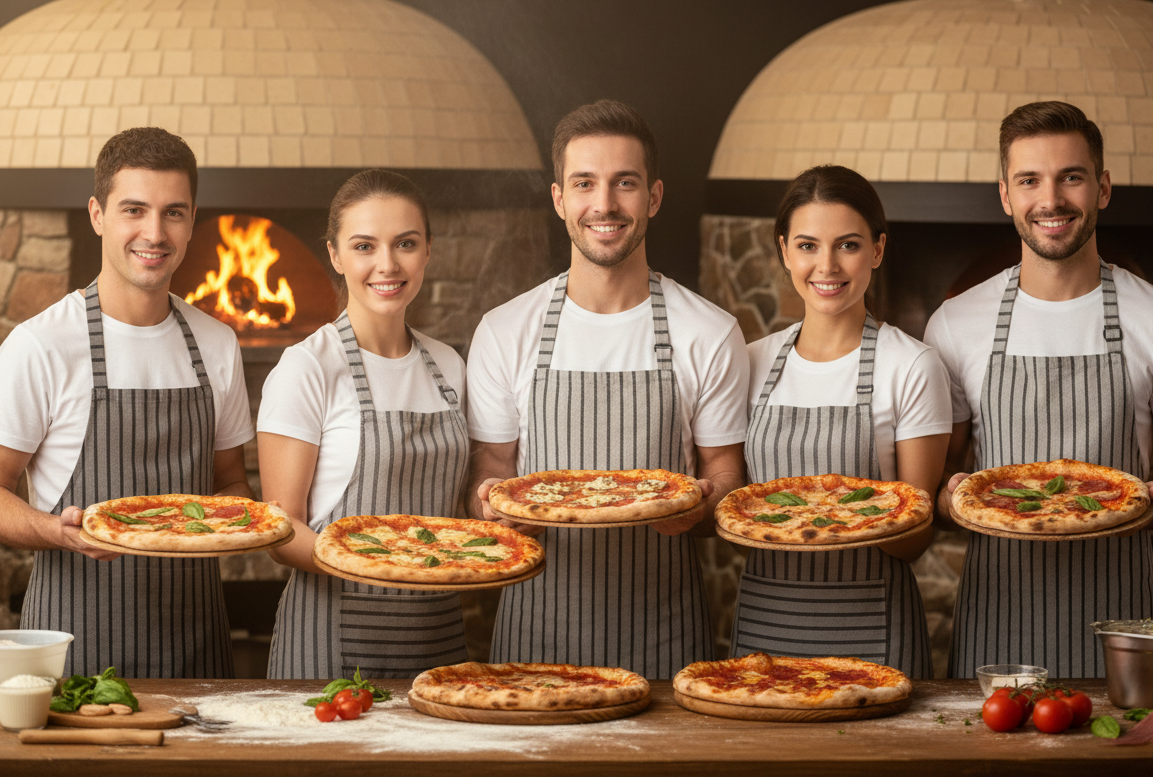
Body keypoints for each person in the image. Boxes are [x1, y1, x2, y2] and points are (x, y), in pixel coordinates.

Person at [466, 100, 749, 679]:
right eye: (585, 183)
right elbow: (488, 469)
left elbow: (725, 473)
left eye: (625, 183)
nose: (604, 204)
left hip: (666, 631)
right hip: (534, 633)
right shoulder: (505, 329)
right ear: (559, 199)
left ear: (654, 197)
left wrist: (698, 506)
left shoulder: (709, 331)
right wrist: (492, 507)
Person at [925, 101, 1153, 678]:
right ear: (1004, 194)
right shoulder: (955, 322)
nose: (1051, 200)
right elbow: (939, 478)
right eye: (1029, 180)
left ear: (1103, 188)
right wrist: (952, 495)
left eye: (1071, 176)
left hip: (1124, 626)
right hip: (998, 619)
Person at [0, 127, 254, 677]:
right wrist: (56, 531)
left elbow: (232, 481)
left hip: (198, 651)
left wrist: (237, 523)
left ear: (192, 221)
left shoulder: (217, 343)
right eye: (134, 209)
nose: (154, 233)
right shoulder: (40, 344)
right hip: (75, 651)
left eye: (173, 212)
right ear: (97, 214)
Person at [732, 165, 950, 677]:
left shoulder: (913, 366)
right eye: (807, 245)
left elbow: (917, 537)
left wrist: (832, 519)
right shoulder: (748, 362)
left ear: (877, 250)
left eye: (847, 245)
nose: (826, 265)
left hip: (874, 628)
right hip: (765, 628)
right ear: (784, 250)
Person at [263, 170, 469, 679]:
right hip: (329, 643)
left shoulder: (450, 366)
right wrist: (385, 564)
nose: (387, 264)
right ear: (335, 255)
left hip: (437, 637)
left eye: (405, 243)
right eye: (364, 246)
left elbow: (454, 509)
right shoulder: (307, 367)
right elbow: (280, 532)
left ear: (427, 252)